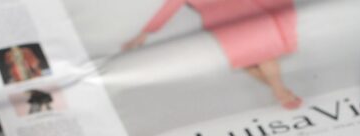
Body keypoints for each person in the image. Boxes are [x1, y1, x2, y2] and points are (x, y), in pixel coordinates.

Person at [123, 0, 302, 109]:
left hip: (245, 11)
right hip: (221, 21)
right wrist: (144, 33)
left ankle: (280, 92)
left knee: (263, 55)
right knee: (247, 61)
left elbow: (167, 9)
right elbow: (167, 9)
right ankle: (280, 91)